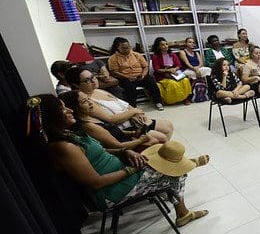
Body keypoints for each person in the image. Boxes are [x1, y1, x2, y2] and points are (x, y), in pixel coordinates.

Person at [29, 94, 209, 227]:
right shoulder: (64, 147)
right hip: (112, 192)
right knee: (175, 173)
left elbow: (101, 151)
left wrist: (126, 153)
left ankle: (185, 168)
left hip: (121, 171)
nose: (68, 110)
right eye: (62, 109)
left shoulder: (69, 134)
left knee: (160, 159)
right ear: (52, 117)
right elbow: (96, 182)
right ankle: (183, 212)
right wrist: (131, 170)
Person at [65, 66, 173, 142]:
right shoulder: (87, 101)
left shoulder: (99, 90)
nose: (94, 81)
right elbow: (110, 119)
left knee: (168, 126)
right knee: (161, 137)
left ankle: (164, 155)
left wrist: (137, 113)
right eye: (87, 80)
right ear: (76, 85)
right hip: (124, 127)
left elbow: (124, 104)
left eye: (93, 76)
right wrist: (134, 111)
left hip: (133, 119)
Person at [60, 90, 155, 151]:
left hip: (127, 141)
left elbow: (112, 132)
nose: (90, 103)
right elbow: (118, 146)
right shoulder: (88, 126)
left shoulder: (90, 116)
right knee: (155, 142)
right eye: (84, 102)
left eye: (88, 99)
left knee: (155, 138)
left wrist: (133, 133)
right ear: (74, 107)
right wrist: (140, 140)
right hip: (125, 150)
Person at [107, 37, 164, 110]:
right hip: (125, 78)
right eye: (124, 48)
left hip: (140, 76)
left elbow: (145, 66)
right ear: (118, 48)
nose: (127, 50)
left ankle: (158, 102)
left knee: (151, 81)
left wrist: (144, 75)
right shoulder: (113, 58)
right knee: (129, 87)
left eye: (128, 47)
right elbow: (114, 72)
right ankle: (133, 106)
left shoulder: (136, 55)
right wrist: (127, 77)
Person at [150, 37, 192, 105]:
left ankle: (185, 98)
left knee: (185, 81)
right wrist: (168, 70)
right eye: (162, 45)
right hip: (163, 76)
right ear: (158, 47)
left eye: (166, 44)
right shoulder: (155, 57)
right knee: (172, 84)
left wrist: (174, 69)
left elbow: (179, 65)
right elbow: (157, 69)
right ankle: (172, 100)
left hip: (174, 73)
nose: (165, 46)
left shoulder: (172, 54)